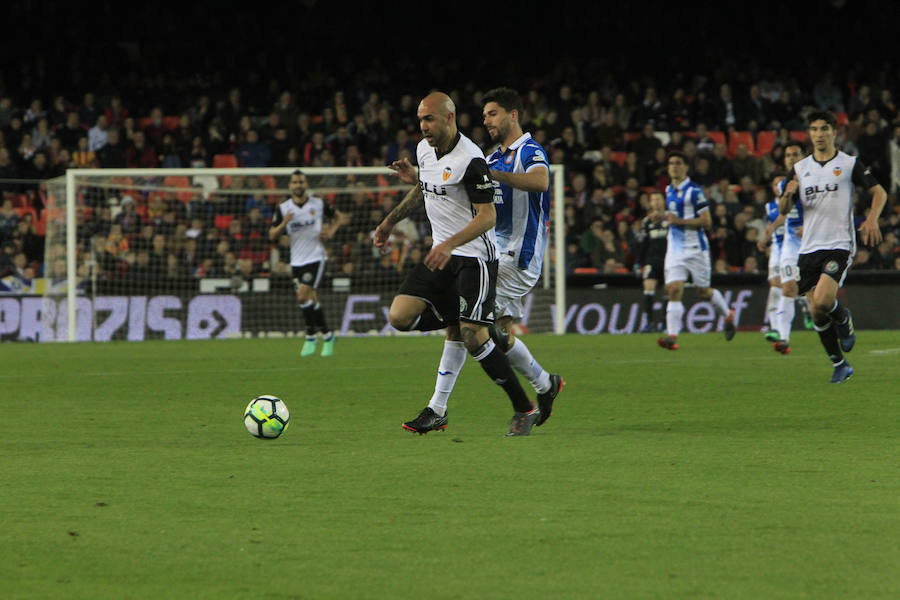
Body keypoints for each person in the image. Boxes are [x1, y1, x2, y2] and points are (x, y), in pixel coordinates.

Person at [374, 91, 541, 437]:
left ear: (450, 118)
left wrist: (450, 244)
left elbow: (488, 217)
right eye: (420, 119)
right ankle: (460, 318)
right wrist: (390, 221)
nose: (423, 126)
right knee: (400, 316)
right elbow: (427, 186)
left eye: (429, 119)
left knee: (473, 336)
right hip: (442, 256)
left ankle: (522, 407)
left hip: (475, 259)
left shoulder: (472, 159)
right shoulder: (423, 150)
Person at [411, 86, 564, 430]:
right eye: (483, 116)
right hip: (495, 253)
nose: (486, 121)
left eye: (492, 114)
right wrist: (420, 179)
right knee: (497, 334)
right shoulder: (491, 156)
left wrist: (494, 176)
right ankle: (545, 384)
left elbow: (540, 182)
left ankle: (438, 407)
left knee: (466, 325)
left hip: (518, 256)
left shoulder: (529, 150)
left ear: (513, 114)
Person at [777, 111, 887, 383]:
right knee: (815, 310)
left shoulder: (849, 164)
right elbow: (783, 209)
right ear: (809, 134)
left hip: (839, 243)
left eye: (824, 128)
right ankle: (839, 363)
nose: (819, 133)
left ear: (833, 132)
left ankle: (843, 316)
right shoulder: (800, 169)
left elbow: (879, 192)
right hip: (809, 247)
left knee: (824, 300)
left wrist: (872, 218)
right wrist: (789, 193)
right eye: (814, 129)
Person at [657, 151, 736, 350]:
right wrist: (661, 218)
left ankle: (727, 315)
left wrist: (679, 221)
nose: (674, 166)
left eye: (678, 163)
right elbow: (673, 216)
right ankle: (672, 337)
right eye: (671, 163)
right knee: (674, 289)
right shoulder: (669, 190)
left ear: (685, 167)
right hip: (675, 249)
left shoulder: (695, 191)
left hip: (696, 249)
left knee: (703, 292)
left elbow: (707, 222)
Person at [269, 169, 345, 357]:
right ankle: (327, 336)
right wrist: (283, 223)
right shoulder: (284, 208)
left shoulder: (318, 204)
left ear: (306, 184)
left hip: (316, 257)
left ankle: (311, 335)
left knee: (303, 296)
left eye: (301, 182)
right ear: (290, 186)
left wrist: (332, 231)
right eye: (295, 182)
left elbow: (339, 217)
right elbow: (272, 235)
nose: (298, 185)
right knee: (311, 299)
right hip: (296, 260)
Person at [761, 141, 814, 354]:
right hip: (790, 244)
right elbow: (784, 213)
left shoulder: (814, 180)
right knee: (788, 288)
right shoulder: (785, 185)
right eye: (787, 155)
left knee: (816, 296)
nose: (791, 158)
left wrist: (810, 227)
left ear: (803, 156)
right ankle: (783, 338)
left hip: (814, 242)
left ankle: (831, 326)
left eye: (795, 154)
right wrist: (772, 228)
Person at [636, 190, 668, 332]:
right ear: (650, 203)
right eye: (653, 200)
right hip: (652, 261)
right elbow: (643, 243)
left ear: (664, 201)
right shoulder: (647, 221)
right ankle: (648, 323)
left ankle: (665, 324)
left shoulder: (671, 218)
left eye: (658, 199)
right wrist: (639, 262)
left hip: (669, 261)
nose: (656, 202)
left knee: (668, 292)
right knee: (648, 288)